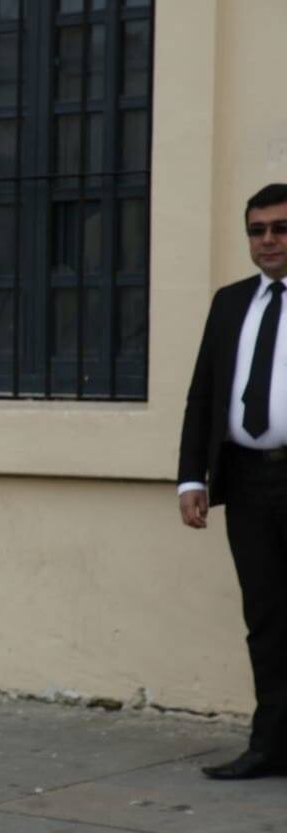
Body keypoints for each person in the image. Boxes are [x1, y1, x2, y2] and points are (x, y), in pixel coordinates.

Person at [178, 182, 287, 780]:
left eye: (280, 228)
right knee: (266, 618)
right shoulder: (230, 303)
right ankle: (270, 747)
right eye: (256, 229)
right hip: (245, 482)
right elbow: (203, 395)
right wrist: (190, 477)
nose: (267, 240)